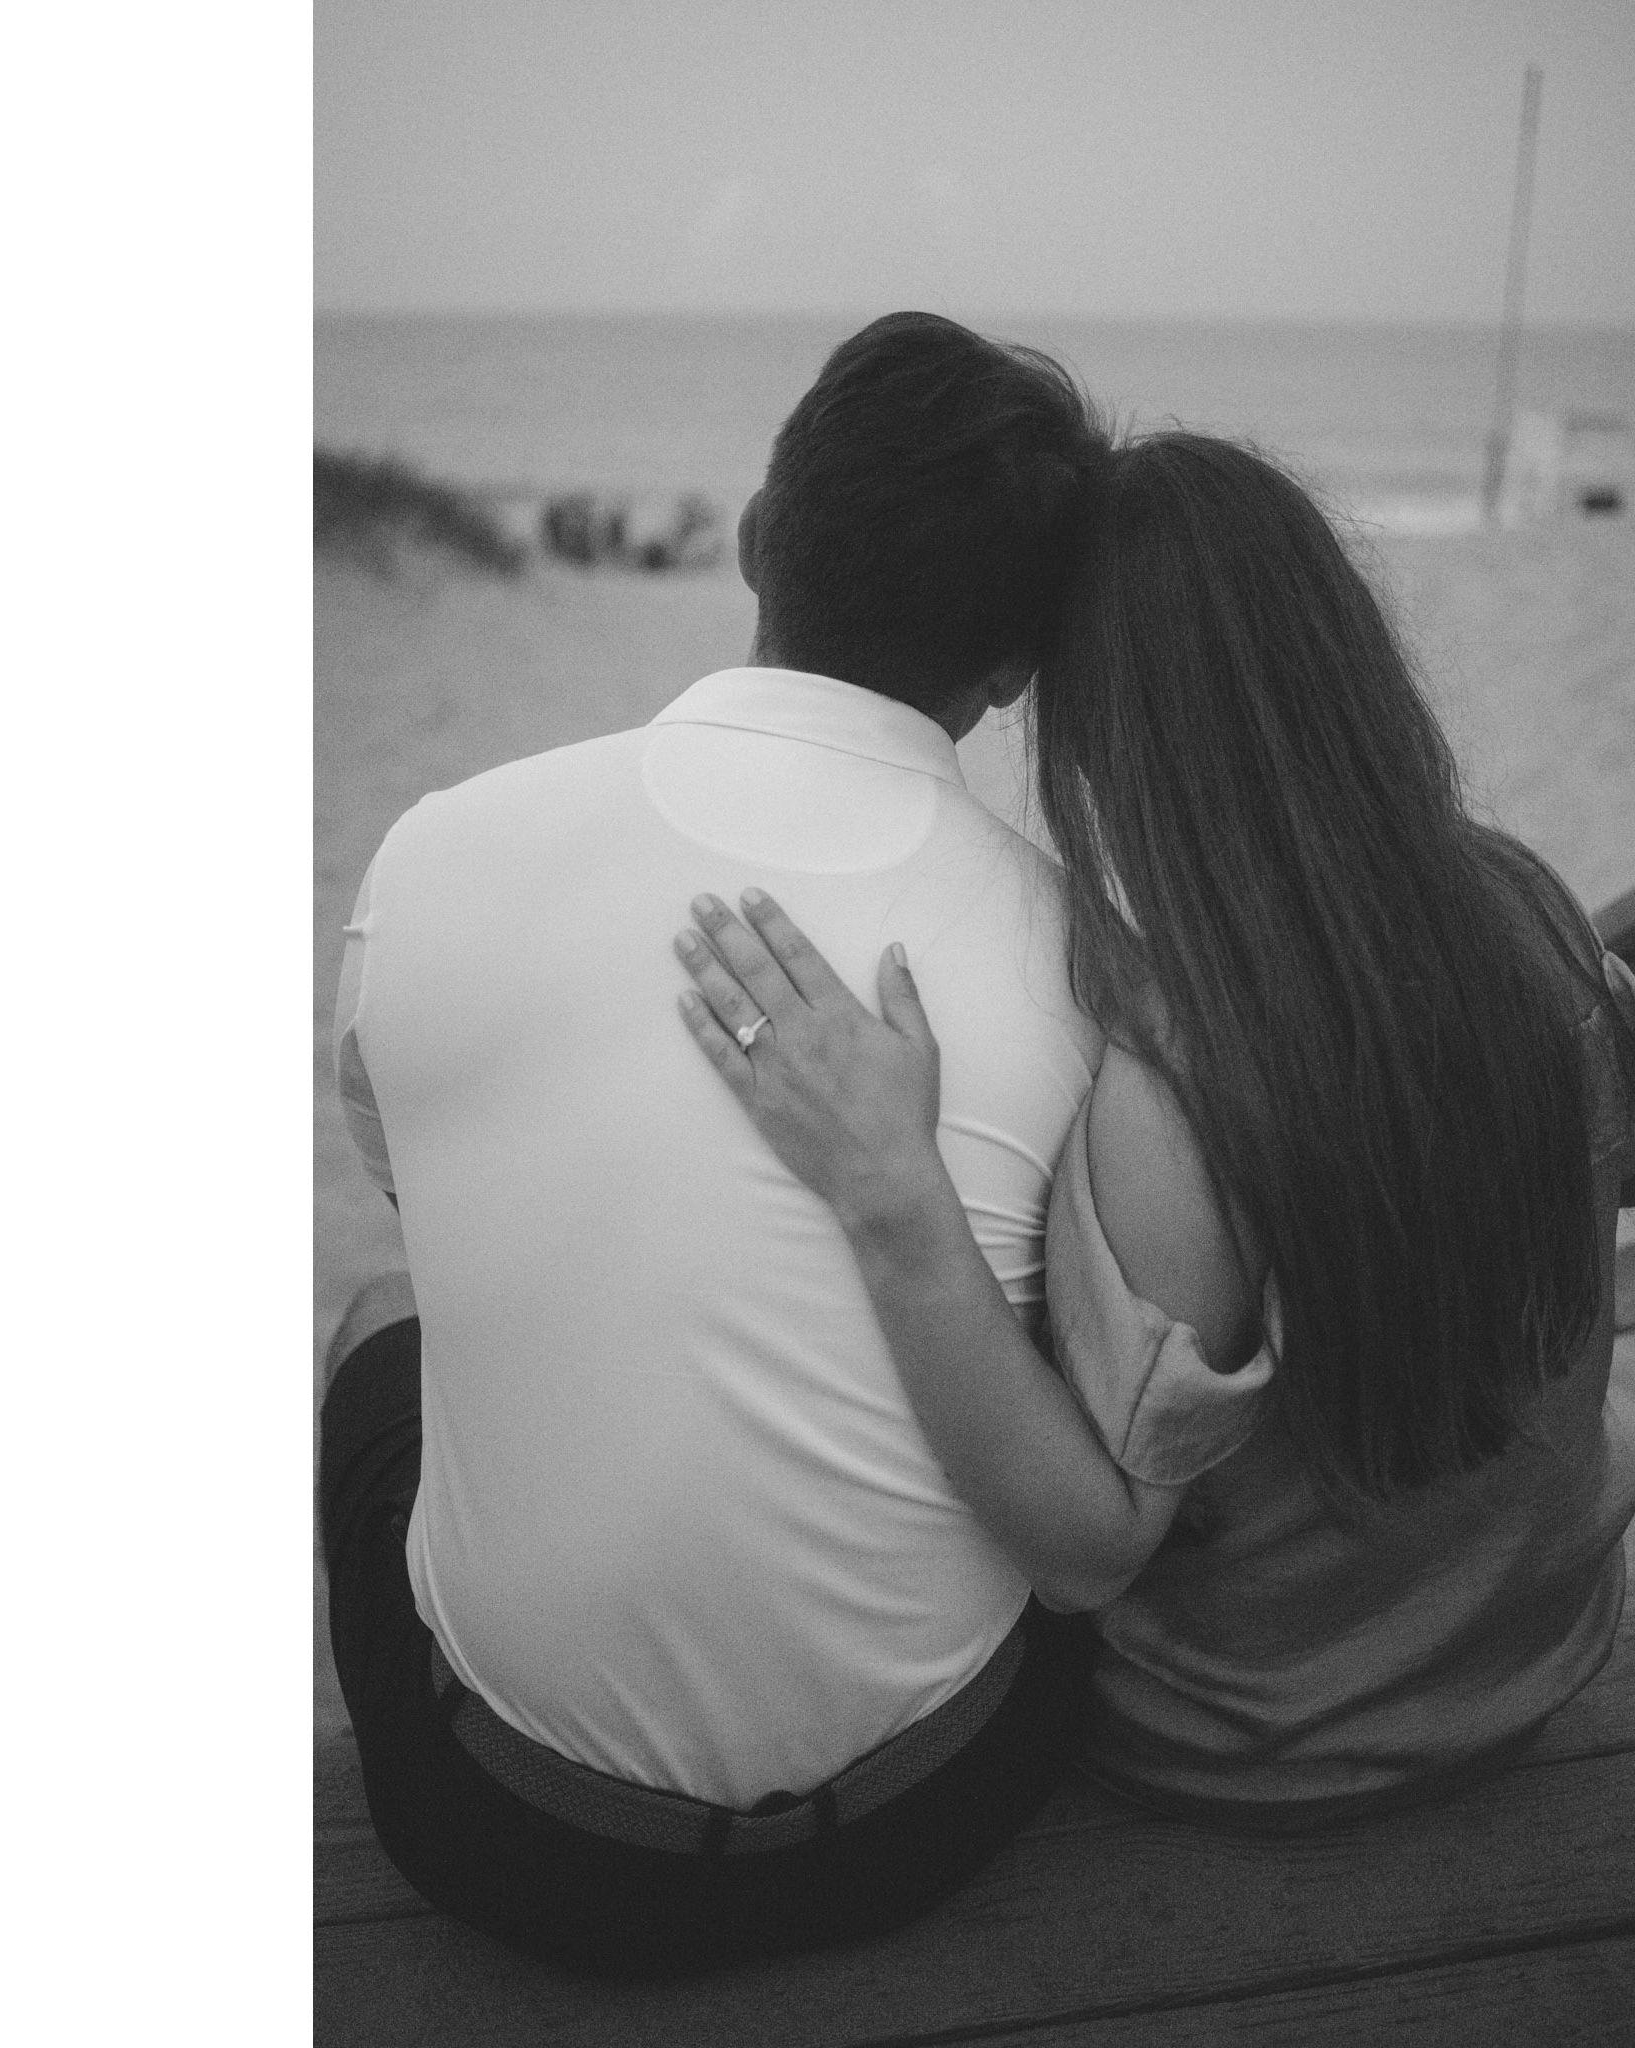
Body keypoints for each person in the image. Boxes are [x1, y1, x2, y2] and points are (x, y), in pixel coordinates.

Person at [675, 430, 1635, 1829]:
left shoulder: (1177, 1085)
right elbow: (1626, 1166)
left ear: (1100, 739)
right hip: (1534, 1663)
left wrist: (890, 1190)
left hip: (1256, 1747)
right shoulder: (1528, 910)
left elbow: (1088, 1551)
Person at [322, 312, 1115, 1974]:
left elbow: (408, 1189)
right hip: (926, 1820)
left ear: (759, 536)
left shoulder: (438, 851)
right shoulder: (1063, 953)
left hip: (512, 1843)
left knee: (385, 1329)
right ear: (1012, 668)